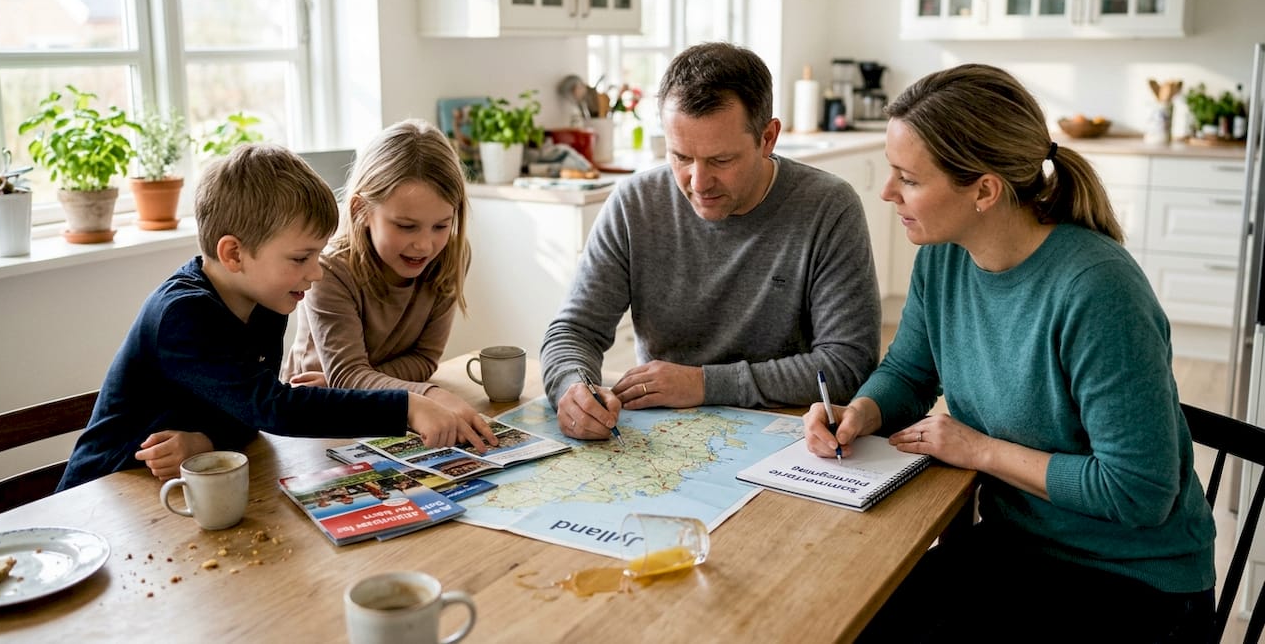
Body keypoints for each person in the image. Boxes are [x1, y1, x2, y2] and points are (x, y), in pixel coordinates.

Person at [802, 64, 1215, 642]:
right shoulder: (945, 256)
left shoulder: (1097, 290)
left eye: (908, 178)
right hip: (1014, 548)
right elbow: (910, 371)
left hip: (1130, 581)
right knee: (848, 621)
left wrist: (978, 449)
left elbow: (1138, 492)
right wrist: (861, 412)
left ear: (985, 190)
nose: (887, 192)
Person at [58, 144, 495, 491]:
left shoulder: (265, 301)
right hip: (105, 490)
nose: (316, 272)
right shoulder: (182, 314)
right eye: (301, 257)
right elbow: (274, 408)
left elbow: (247, 406)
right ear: (234, 254)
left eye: (317, 255)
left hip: (176, 486)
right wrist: (408, 406)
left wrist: (206, 441)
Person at [541, 42, 882, 440]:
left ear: (768, 137)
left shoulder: (828, 207)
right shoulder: (635, 202)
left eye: (721, 160)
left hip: (792, 435)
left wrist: (704, 384)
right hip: (665, 438)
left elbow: (847, 365)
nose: (698, 184)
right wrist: (573, 387)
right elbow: (573, 332)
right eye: (681, 157)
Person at [282, 119, 478, 424]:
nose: (425, 245)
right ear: (361, 211)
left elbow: (424, 359)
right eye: (406, 226)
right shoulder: (330, 268)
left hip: (370, 402)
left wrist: (353, 385)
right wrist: (428, 394)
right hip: (313, 414)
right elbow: (347, 374)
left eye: (441, 225)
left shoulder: (451, 255)